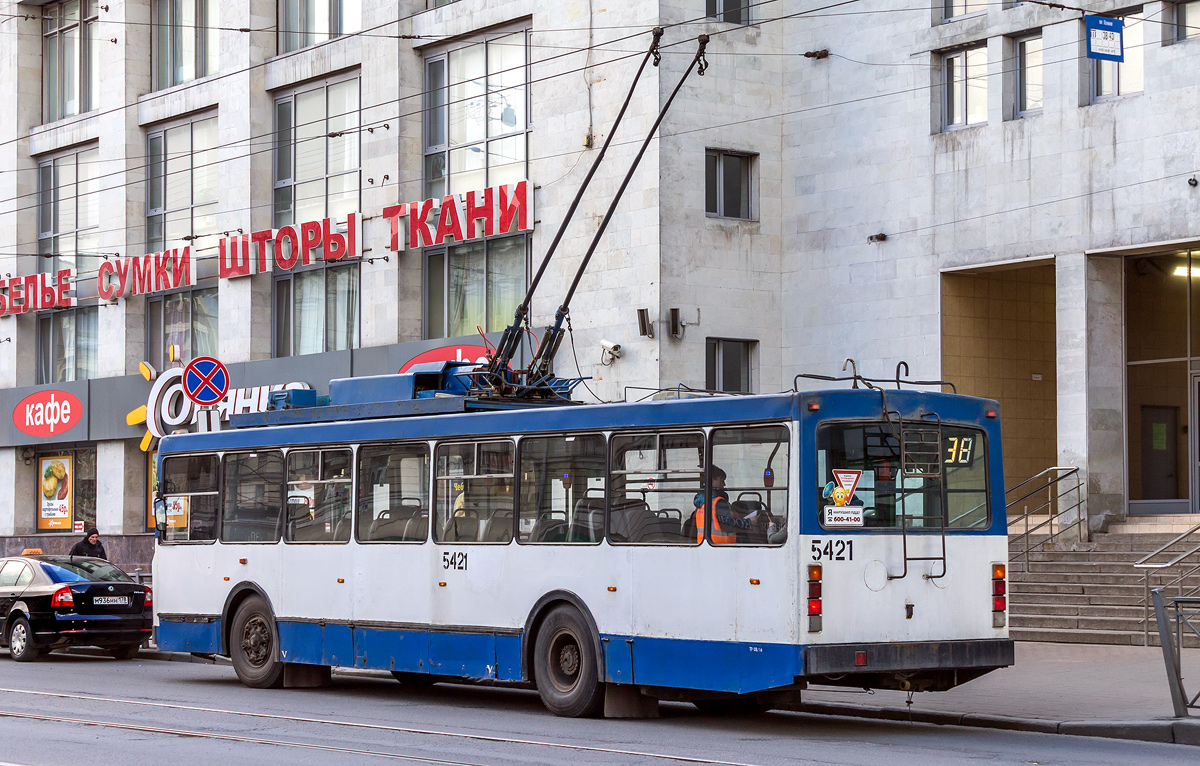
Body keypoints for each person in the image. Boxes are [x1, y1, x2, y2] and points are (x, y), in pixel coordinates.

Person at [693, 467, 757, 544]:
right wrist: (749, 522)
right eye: (722, 481)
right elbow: (729, 526)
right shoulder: (718, 502)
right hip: (722, 546)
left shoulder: (702, 501)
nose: (724, 484)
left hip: (706, 545)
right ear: (712, 480)